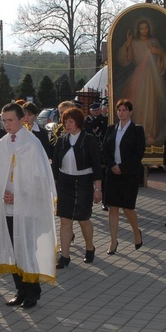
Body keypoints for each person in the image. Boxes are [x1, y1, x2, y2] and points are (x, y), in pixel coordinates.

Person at [0, 103, 56, 309]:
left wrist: (19, 195)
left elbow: (38, 178)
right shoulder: (2, 143)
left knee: (27, 248)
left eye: (11, 120)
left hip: (27, 207)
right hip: (8, 206)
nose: (7, 124)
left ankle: (32, 292)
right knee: (13, 247)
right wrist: (2, 192)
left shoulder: (32, 143)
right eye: (4, 120)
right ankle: (19, 290)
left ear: (22, 120)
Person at [53, 107, 102, 267]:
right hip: (64, 182)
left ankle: (89, 247)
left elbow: (97, 166)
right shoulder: (61, 140)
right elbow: (55, 165)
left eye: (71, 121)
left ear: (78, 122)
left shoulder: (89, 140)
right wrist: (53, 185)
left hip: (84, 182)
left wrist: (98, 189)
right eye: (65, 121)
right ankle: (65, 256)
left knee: (83, 218)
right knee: (65, 220)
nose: (67, 124)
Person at [116, 18, 166, 145]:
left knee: (151, 104)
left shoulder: (154, 42)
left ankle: (150, 133)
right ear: (138, 30)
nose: (144, 30)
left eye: (146, 28)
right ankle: (139, 133)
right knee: (139, 103)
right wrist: (128, 44)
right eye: (141, 28)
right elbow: (126, 59)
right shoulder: (134, 43)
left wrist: (157, 52)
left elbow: (163, 57)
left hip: (152, 77)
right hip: (139, 75)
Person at [102, 99, 145, 254]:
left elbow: (138, 154)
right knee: (113, 207)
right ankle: (113, 241)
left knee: (128, 208)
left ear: (131, 112)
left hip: (129, 174)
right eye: (119, 110)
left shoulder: (137, 130)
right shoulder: (111, 129)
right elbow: (105, 150)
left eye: (125, 110)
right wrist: (112, 165)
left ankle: (136, 232)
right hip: (112, 173)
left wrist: (122, 167)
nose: (121, 113)